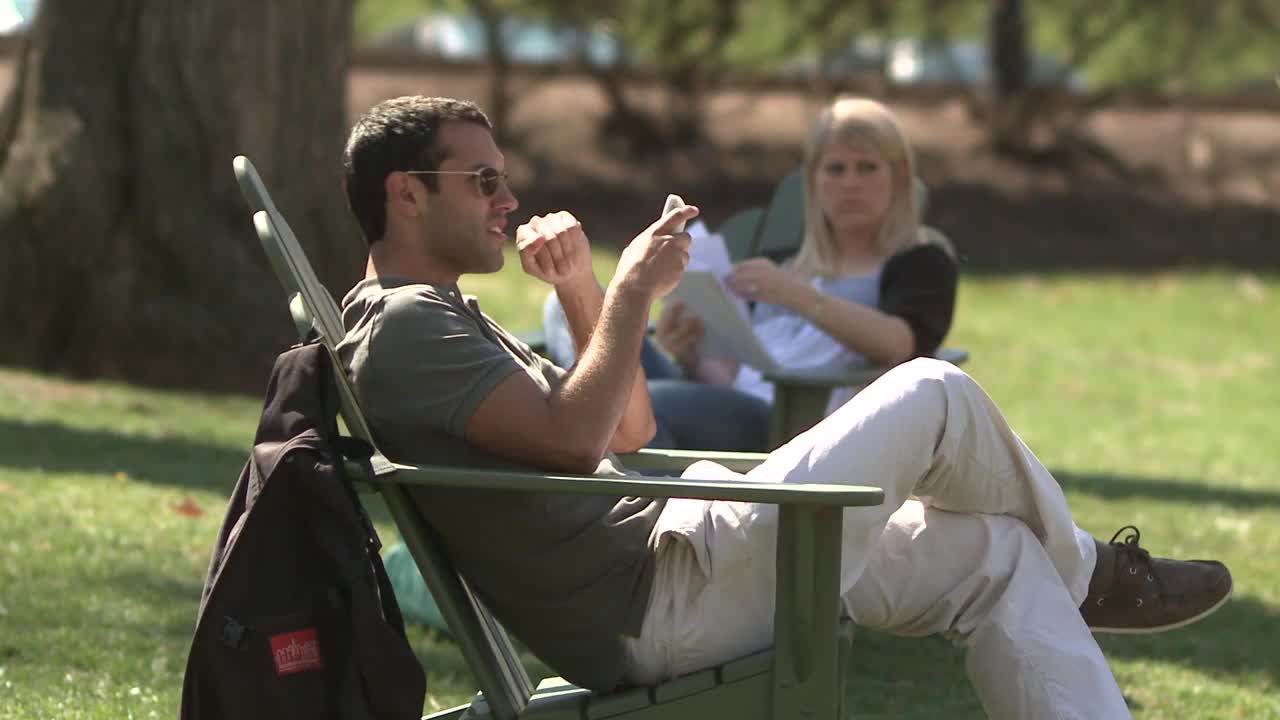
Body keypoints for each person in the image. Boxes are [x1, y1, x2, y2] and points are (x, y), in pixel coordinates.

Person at [335, 95, 1233, 719]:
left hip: (680, 552)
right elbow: (576, 443)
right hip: (662, 599)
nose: (509, 199)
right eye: (481, 182)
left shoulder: (440, 317)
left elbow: (630, 431)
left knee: (994, 555)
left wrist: (582, 290)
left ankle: (1071, 579)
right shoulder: (408, 329)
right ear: (405, 194)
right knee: (934, 391)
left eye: (504, 179)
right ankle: (1090, 578)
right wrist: (634, 294)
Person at [540, 97, 956, 452]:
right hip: (727, 397)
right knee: (563, 309)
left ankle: (637, 509)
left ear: (899, 179)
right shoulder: (781, 263)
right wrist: (688, 352)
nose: (850, 183)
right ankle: (592, 425)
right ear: (813, 182)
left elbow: (900, 345)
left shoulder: (918, 262)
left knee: (649, 404)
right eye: (835, 169)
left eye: (868, 168)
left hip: (792, 424)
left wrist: (800, 297)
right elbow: (737, 369)